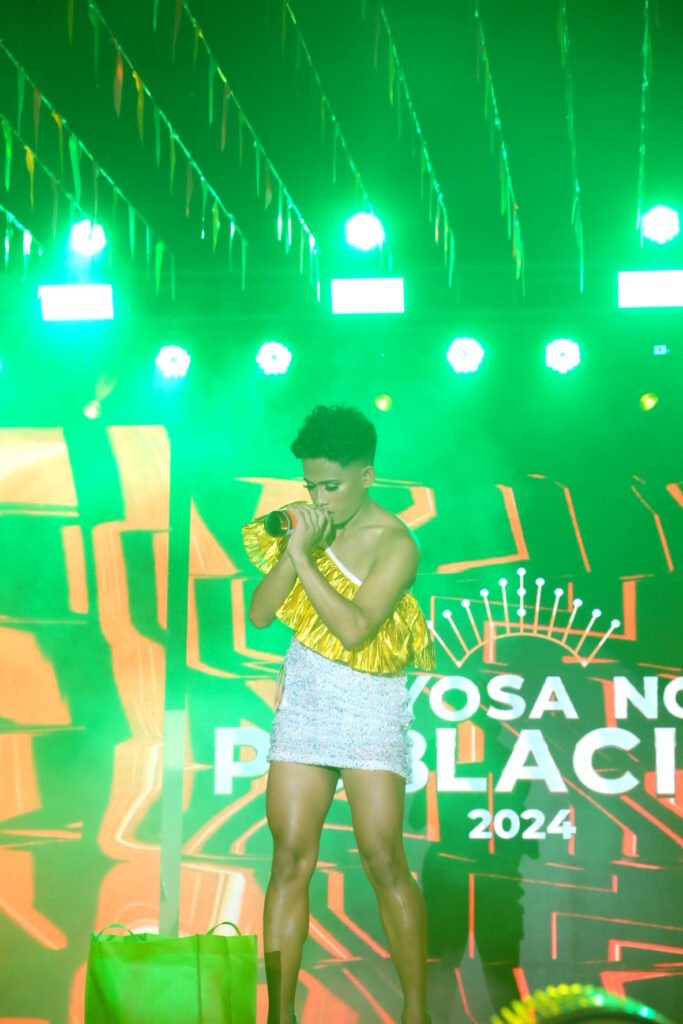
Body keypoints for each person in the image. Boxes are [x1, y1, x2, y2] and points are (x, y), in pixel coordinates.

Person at [241, 404, 436, 1024]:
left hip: (369, 703)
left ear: (367, 476)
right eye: (310, 487)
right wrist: (293, 551)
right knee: (289, 858)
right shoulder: (309, 531)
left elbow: (355, 630)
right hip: (306, 701)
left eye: (331, 486)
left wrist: (305, 558)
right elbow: (259, 615)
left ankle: (415, 1013)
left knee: (383, 859)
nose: (319, 499)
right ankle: (280, 1015)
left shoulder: (396, 544)